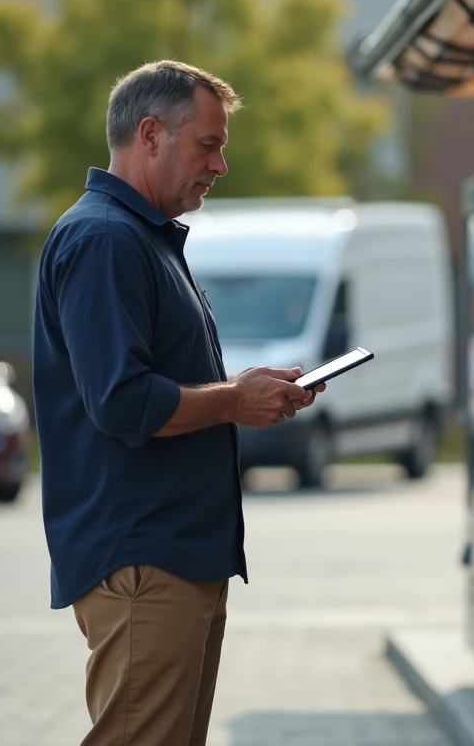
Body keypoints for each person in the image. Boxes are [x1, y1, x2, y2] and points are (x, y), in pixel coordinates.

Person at [31, 59, 324, 745]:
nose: (220, 165)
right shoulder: (104, 239)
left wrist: (246, 394)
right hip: (143, 558)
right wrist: (235, 401)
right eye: (210, 145)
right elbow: (122, 402)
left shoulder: (137, 236)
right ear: (152, 135)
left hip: (170, 554)